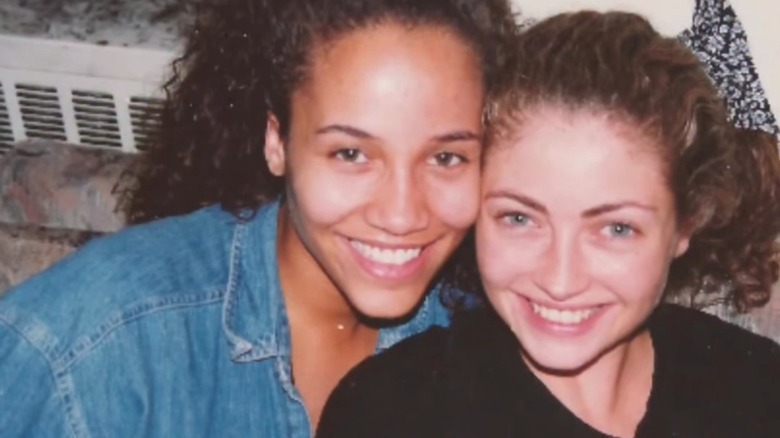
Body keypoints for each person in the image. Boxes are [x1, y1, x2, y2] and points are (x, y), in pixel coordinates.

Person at [0, 0, 518, 436]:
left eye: (445, 158)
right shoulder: (90, 348)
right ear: (277, 142)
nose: (402, 214)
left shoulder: (491, 332)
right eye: (351, 154)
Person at [317, 11, 780, 438]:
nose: (560, 280)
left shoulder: (756, 386)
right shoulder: (391, 415)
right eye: (519, 219)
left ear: (685, 224)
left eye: (616, 229)